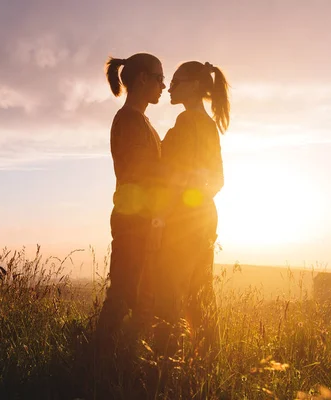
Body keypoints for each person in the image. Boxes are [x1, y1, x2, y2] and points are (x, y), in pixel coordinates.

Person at [152, 61, 230, 354]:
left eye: (176, 82)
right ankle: (208, 360)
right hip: (205, 218)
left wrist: (161, 218)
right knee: (200, 293)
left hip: (182, 220)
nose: (170, 88)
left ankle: (164, 363)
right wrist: (198, 200)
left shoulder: (188, 123)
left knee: (170, 292)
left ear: (195, 86)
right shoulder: (208, 125)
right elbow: (218, 179)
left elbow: (176, 177)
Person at [96, 53, 167, 347]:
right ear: (142, 78)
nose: (163, 86)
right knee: (126, 293)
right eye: (159, 78)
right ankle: (100, 358)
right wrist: (157, 218)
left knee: (136, 293)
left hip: (137, 216)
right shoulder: (130, 120)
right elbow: (143, 175)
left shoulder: (140, 120)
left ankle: (118, 357)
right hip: (135, 219)